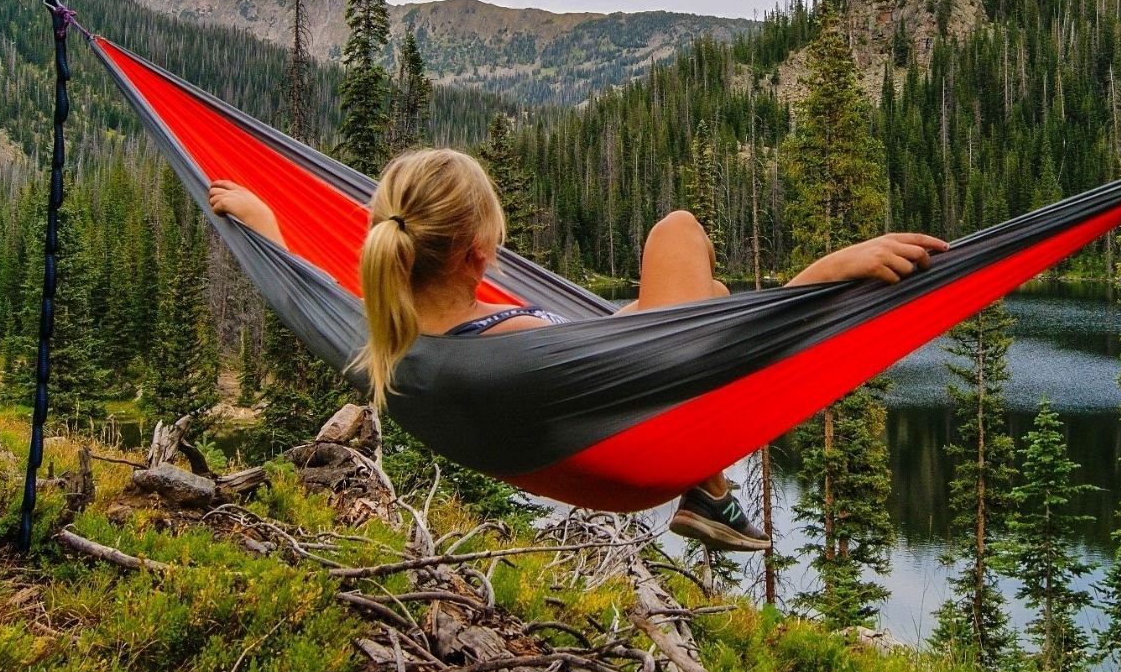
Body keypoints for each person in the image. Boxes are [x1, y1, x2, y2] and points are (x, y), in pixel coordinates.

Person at [209, 148, 947, 552]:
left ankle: (714, 492)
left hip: (583, 413)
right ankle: (710, 489)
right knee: (678, 231)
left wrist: (266, 224)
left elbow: (308, 292)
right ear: (478, 252)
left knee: (711, 293)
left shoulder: (381, 337)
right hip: (634, 453)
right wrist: (822, 278)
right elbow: (706, 364)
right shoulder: (515, 351)